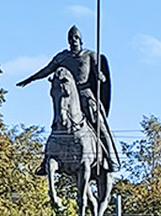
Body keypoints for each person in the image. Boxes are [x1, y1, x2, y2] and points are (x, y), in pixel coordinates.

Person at [16, 26, 120, 173]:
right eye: (71, 38)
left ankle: (111, 158)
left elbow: (99, 73)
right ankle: (46, 160)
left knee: (101, 126)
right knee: (57, 124)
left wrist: (100, 77)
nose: (73, 41)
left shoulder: (90, 55)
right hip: (66, 96)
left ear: (81, 40)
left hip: (85, 96)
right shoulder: (62, 57)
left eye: (76, 38)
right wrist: (31, 79)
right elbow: (47, 70)